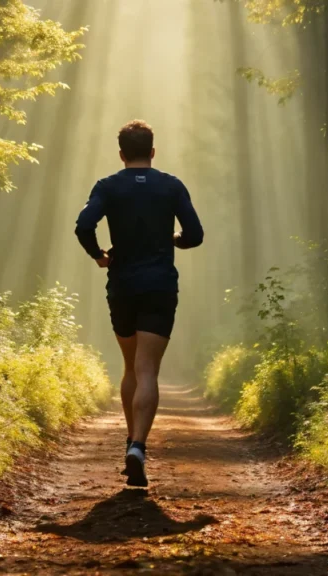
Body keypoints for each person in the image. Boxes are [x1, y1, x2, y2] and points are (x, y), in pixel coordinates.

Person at [74, 120, 204, 487]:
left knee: (130, 366)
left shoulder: (108, 186)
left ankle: (132, 444)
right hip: (160, 285)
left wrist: (98, 254)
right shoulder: (171, 186)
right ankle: (138, 447)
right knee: (148, 369)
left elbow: (84, 225)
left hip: (123, 285)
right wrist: (173, 239)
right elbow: (195, 235)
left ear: (121, 154)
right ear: (152, 151)